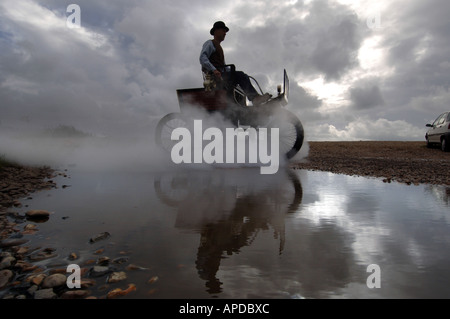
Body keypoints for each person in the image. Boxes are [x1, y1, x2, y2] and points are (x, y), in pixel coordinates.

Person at [199, 21, 271, 106]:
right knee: (240, 75)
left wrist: (234, 72)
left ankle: (244, 102)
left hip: (221, 75)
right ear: (216, 31)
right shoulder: (210, 43)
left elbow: (224, 67)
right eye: (223, 30)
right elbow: (203, 58)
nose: (225, 33)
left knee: (242, 77)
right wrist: (214, 70)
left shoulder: (218, 47)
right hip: (215, 77)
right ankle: (255, 98)